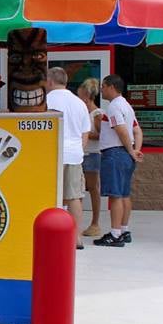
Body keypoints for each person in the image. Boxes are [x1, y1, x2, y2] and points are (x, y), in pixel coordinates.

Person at [94, 74, 142, 247]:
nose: (101, 90)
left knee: (115, 195)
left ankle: (114, 234)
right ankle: (124, 229)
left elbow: (121, 130)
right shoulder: (127, 106)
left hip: (115, 153)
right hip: (125, 154)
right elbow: (137, 130)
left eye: (103, 86)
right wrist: (136, 150)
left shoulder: (114, 107)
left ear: (111, 87)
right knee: (124, 194)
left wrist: (131, 150)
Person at [46, 67, 91, 249]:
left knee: (48, 197)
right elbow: (85, 133)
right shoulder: (79, 103)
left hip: (50, 154)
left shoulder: (45, 100)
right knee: (74, 198)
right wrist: (78, 151)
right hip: (73, 155)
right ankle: (76, 237)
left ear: (50, 81)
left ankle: (49, 234)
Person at [78, 78, 104, 237]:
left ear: (86, 96)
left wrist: (85, 134)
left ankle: (95, 223)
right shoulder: (83, 112)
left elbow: (103, 135)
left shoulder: (97, 114)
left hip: (93, 154)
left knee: (93, 188)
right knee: (79, 189)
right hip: (82, 154)